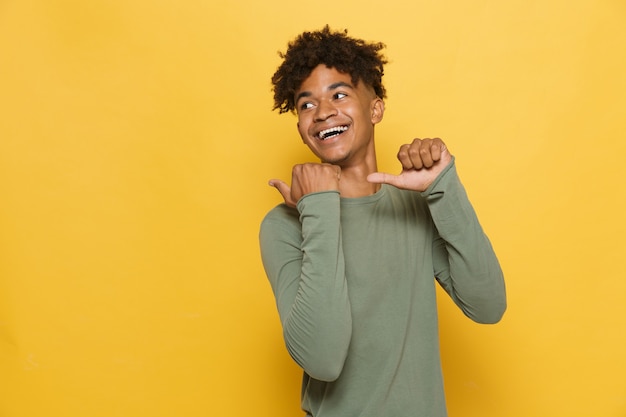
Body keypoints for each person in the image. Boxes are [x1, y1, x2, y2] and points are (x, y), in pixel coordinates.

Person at [259, 25, 506, 417]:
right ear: (302, 130)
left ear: (374, 109)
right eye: (306, 105)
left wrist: (443, 188)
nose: (323, 112)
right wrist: (319, 208)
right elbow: (322, 358)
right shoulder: (285, 225)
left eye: (338, 94)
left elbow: (488, 305)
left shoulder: (412, 207)